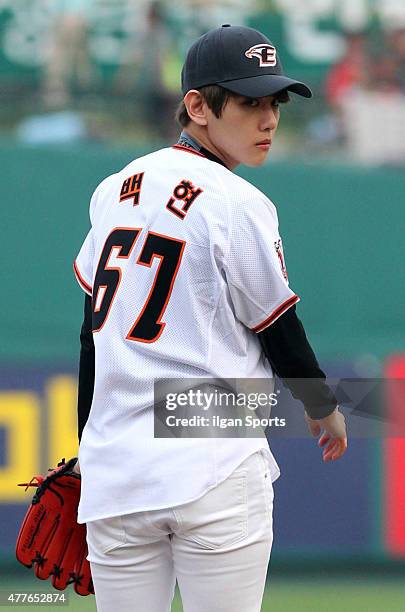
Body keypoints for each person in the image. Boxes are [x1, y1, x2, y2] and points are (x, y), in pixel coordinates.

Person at [73, 24, 347, 612]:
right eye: (250, 102)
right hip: (214, 458)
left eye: (274, 103)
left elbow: (93, 335)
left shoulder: (113, 189)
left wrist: (85, 445)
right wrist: (321, 406)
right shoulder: (238, 201)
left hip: (117, 472)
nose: (269, 119)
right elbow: (277, 325)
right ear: (196, 106)